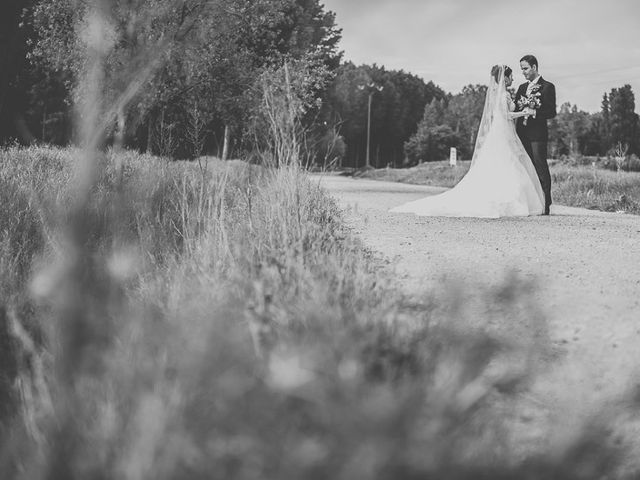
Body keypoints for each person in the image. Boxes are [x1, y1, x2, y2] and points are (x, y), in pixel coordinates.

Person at [389, 65, 544, 218]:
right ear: (505, 77)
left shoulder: (499, 93)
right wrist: (524, 112)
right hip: (502, 132)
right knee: (506, 162)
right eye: (511, 76)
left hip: (504, 132)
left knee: (505, 163)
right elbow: (506, 115)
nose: (513, 78)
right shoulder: (501, 94)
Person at [515, 54, 557, 215]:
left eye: (525, 68)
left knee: (540, 165)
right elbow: (517, 111)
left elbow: (551, 112)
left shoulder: (547, 87)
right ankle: (531, 201)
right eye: (522, 69)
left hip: (538, 134)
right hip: (522, 134)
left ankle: (546, 202)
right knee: (526, 167)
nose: (523, 72)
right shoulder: (521, 88)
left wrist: (534, 112)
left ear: (534, 67)